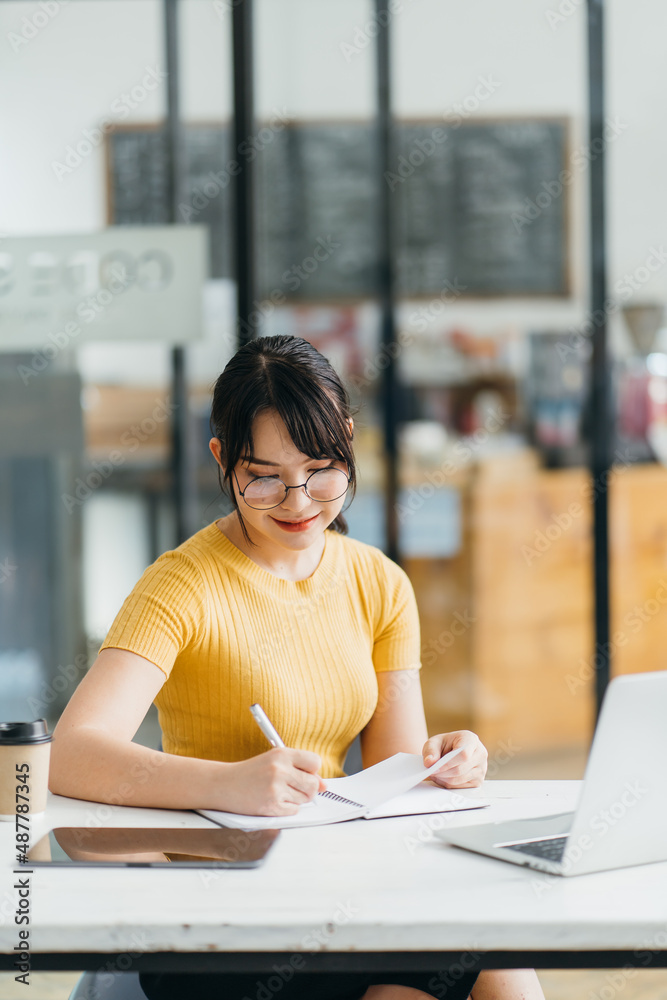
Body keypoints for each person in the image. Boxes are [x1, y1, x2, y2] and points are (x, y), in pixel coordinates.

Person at [50, 335, 545, 1000]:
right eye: (263, 477)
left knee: (502, 971)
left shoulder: (379, 582)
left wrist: (442, 763)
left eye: (320, 469)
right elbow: (71, 755)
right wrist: (229, 785)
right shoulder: (181, 586)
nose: (298, 501)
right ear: (222, 459)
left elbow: (391, 773)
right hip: (219, 904)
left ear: (346, 440)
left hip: (340, 880)